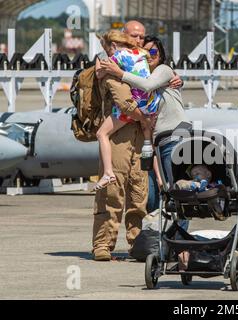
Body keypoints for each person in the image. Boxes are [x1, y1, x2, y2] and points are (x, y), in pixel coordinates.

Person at [91, 22, 182, 262]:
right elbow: (123, 100)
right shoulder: (113, 60)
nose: (139, 40)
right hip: (119, 136)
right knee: (112, 192)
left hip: (142, 137)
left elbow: (154, 82)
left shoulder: (140, 62)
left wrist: (175, 78)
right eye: (134, 36)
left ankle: (137, 244)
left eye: (142, 36)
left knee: (138, 194)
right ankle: (103, 244)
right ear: (124, 37)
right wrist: (143, 118)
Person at [92, 30, 159, 191]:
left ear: (113, 45)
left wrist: (100, 61)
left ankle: (108, 173)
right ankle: (159, 177)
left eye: (108, 49)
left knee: (102, 134)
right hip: (149, 103)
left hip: (134, 104)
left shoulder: (119, 55)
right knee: (151, 143)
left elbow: (100, 73)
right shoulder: (141, 52)